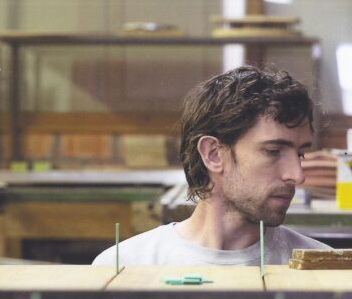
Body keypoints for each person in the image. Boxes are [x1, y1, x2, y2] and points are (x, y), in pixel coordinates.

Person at [93, 65, 328, 265]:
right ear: (213, 154)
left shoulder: (322, 269)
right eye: (273, 151)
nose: (297, 176)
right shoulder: (127, 266)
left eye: (300, 153)